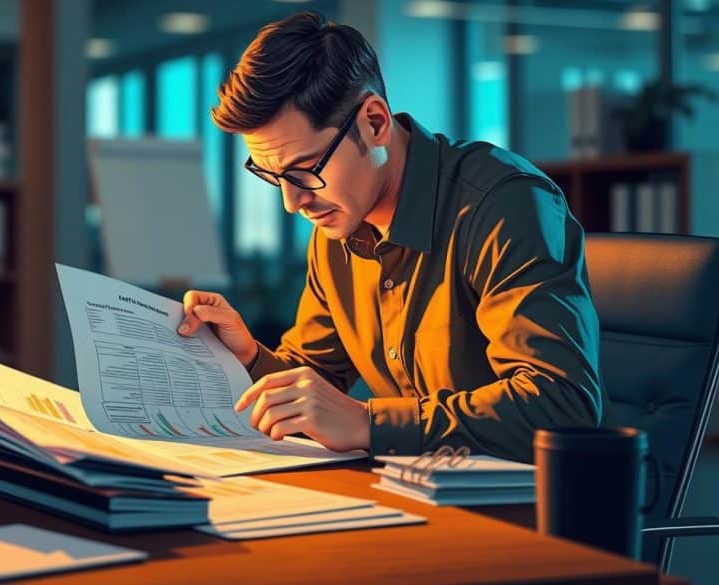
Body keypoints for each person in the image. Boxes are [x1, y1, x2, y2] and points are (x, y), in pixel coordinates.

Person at [177, 11, 605, 463]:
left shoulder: (502, 205)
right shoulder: (336, 228)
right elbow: (315, 378)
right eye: (273, 176)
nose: (292, 202)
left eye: (305, 170)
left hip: (530, 510)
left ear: (375, 122)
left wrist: (367, 423)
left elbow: (560, 405)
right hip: (413, 493)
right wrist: (247, 355)